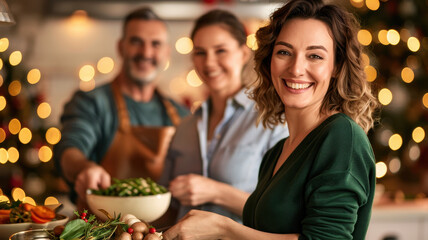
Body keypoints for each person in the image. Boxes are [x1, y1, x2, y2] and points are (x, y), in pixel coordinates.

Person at [163, 0, 379, 239]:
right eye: (284, 52)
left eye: (315, 56)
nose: (296, 68)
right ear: (269, 60)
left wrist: (224, 229)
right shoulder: (276, 153)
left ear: (336, 66)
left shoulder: (341, 137)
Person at [158, 9, 288, 225]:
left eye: (220, 51)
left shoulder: (272, 121)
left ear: (243, 54)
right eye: (200, 52)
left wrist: (215, 192)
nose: (209, 62)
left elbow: (281, 213)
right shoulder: (184, 126)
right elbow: (165, 205)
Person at [54, 7, 189, 210]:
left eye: (156, 44)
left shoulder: (181, 114)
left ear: (166, 52)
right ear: (121, 47)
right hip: (101, 230)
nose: (146, 52)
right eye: (136, 41)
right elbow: (70, 148)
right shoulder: (91, 102)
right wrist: (84, 168)